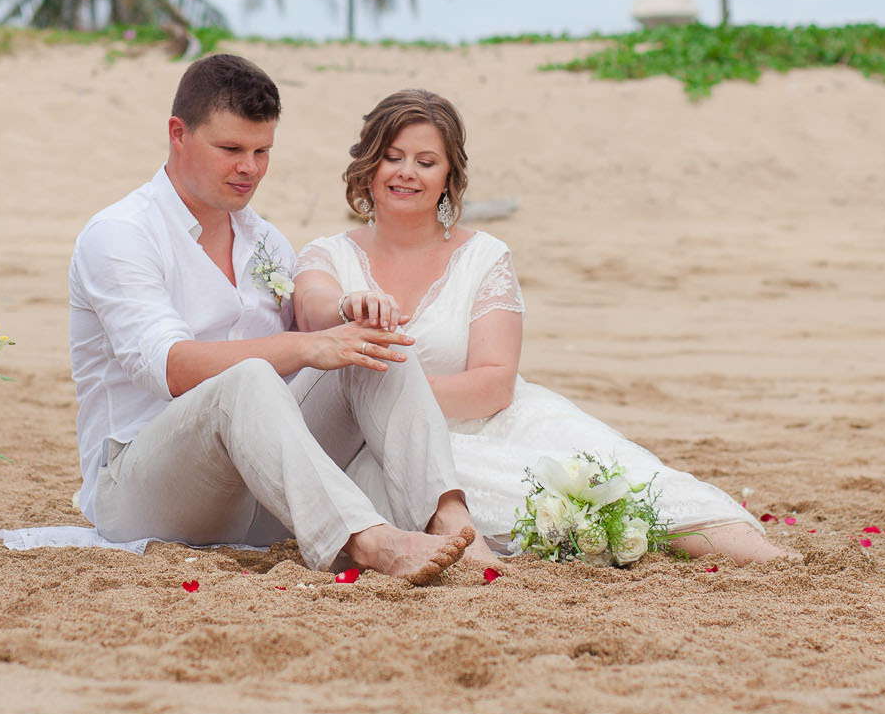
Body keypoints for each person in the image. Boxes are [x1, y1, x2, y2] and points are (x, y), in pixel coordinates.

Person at [293, 88, 797, 565]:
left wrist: (398, 397)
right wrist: (347, 306)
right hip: (385, 449)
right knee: (516, 499)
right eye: (393, 157)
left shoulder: (483, 256)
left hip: (497, 419)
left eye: (426, 162)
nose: (407, 173)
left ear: (449, 177)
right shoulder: (328, 256)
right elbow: (313, 311)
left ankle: (770, 560)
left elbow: (494, 384)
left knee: (619, 478)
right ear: (369, 163)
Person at [68, 54, 484, 584]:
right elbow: (171, 368)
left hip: (261, 490)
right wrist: (308, 347)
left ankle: (448, 515)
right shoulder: (121, 234)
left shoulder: (264, 239)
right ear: (178, 134)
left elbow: (313, 346)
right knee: (246, 378)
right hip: (140, 491)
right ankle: (370, 541)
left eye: (262, 151)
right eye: (231, 149)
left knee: (372, 346)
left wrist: (344, 317)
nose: (250, 168)